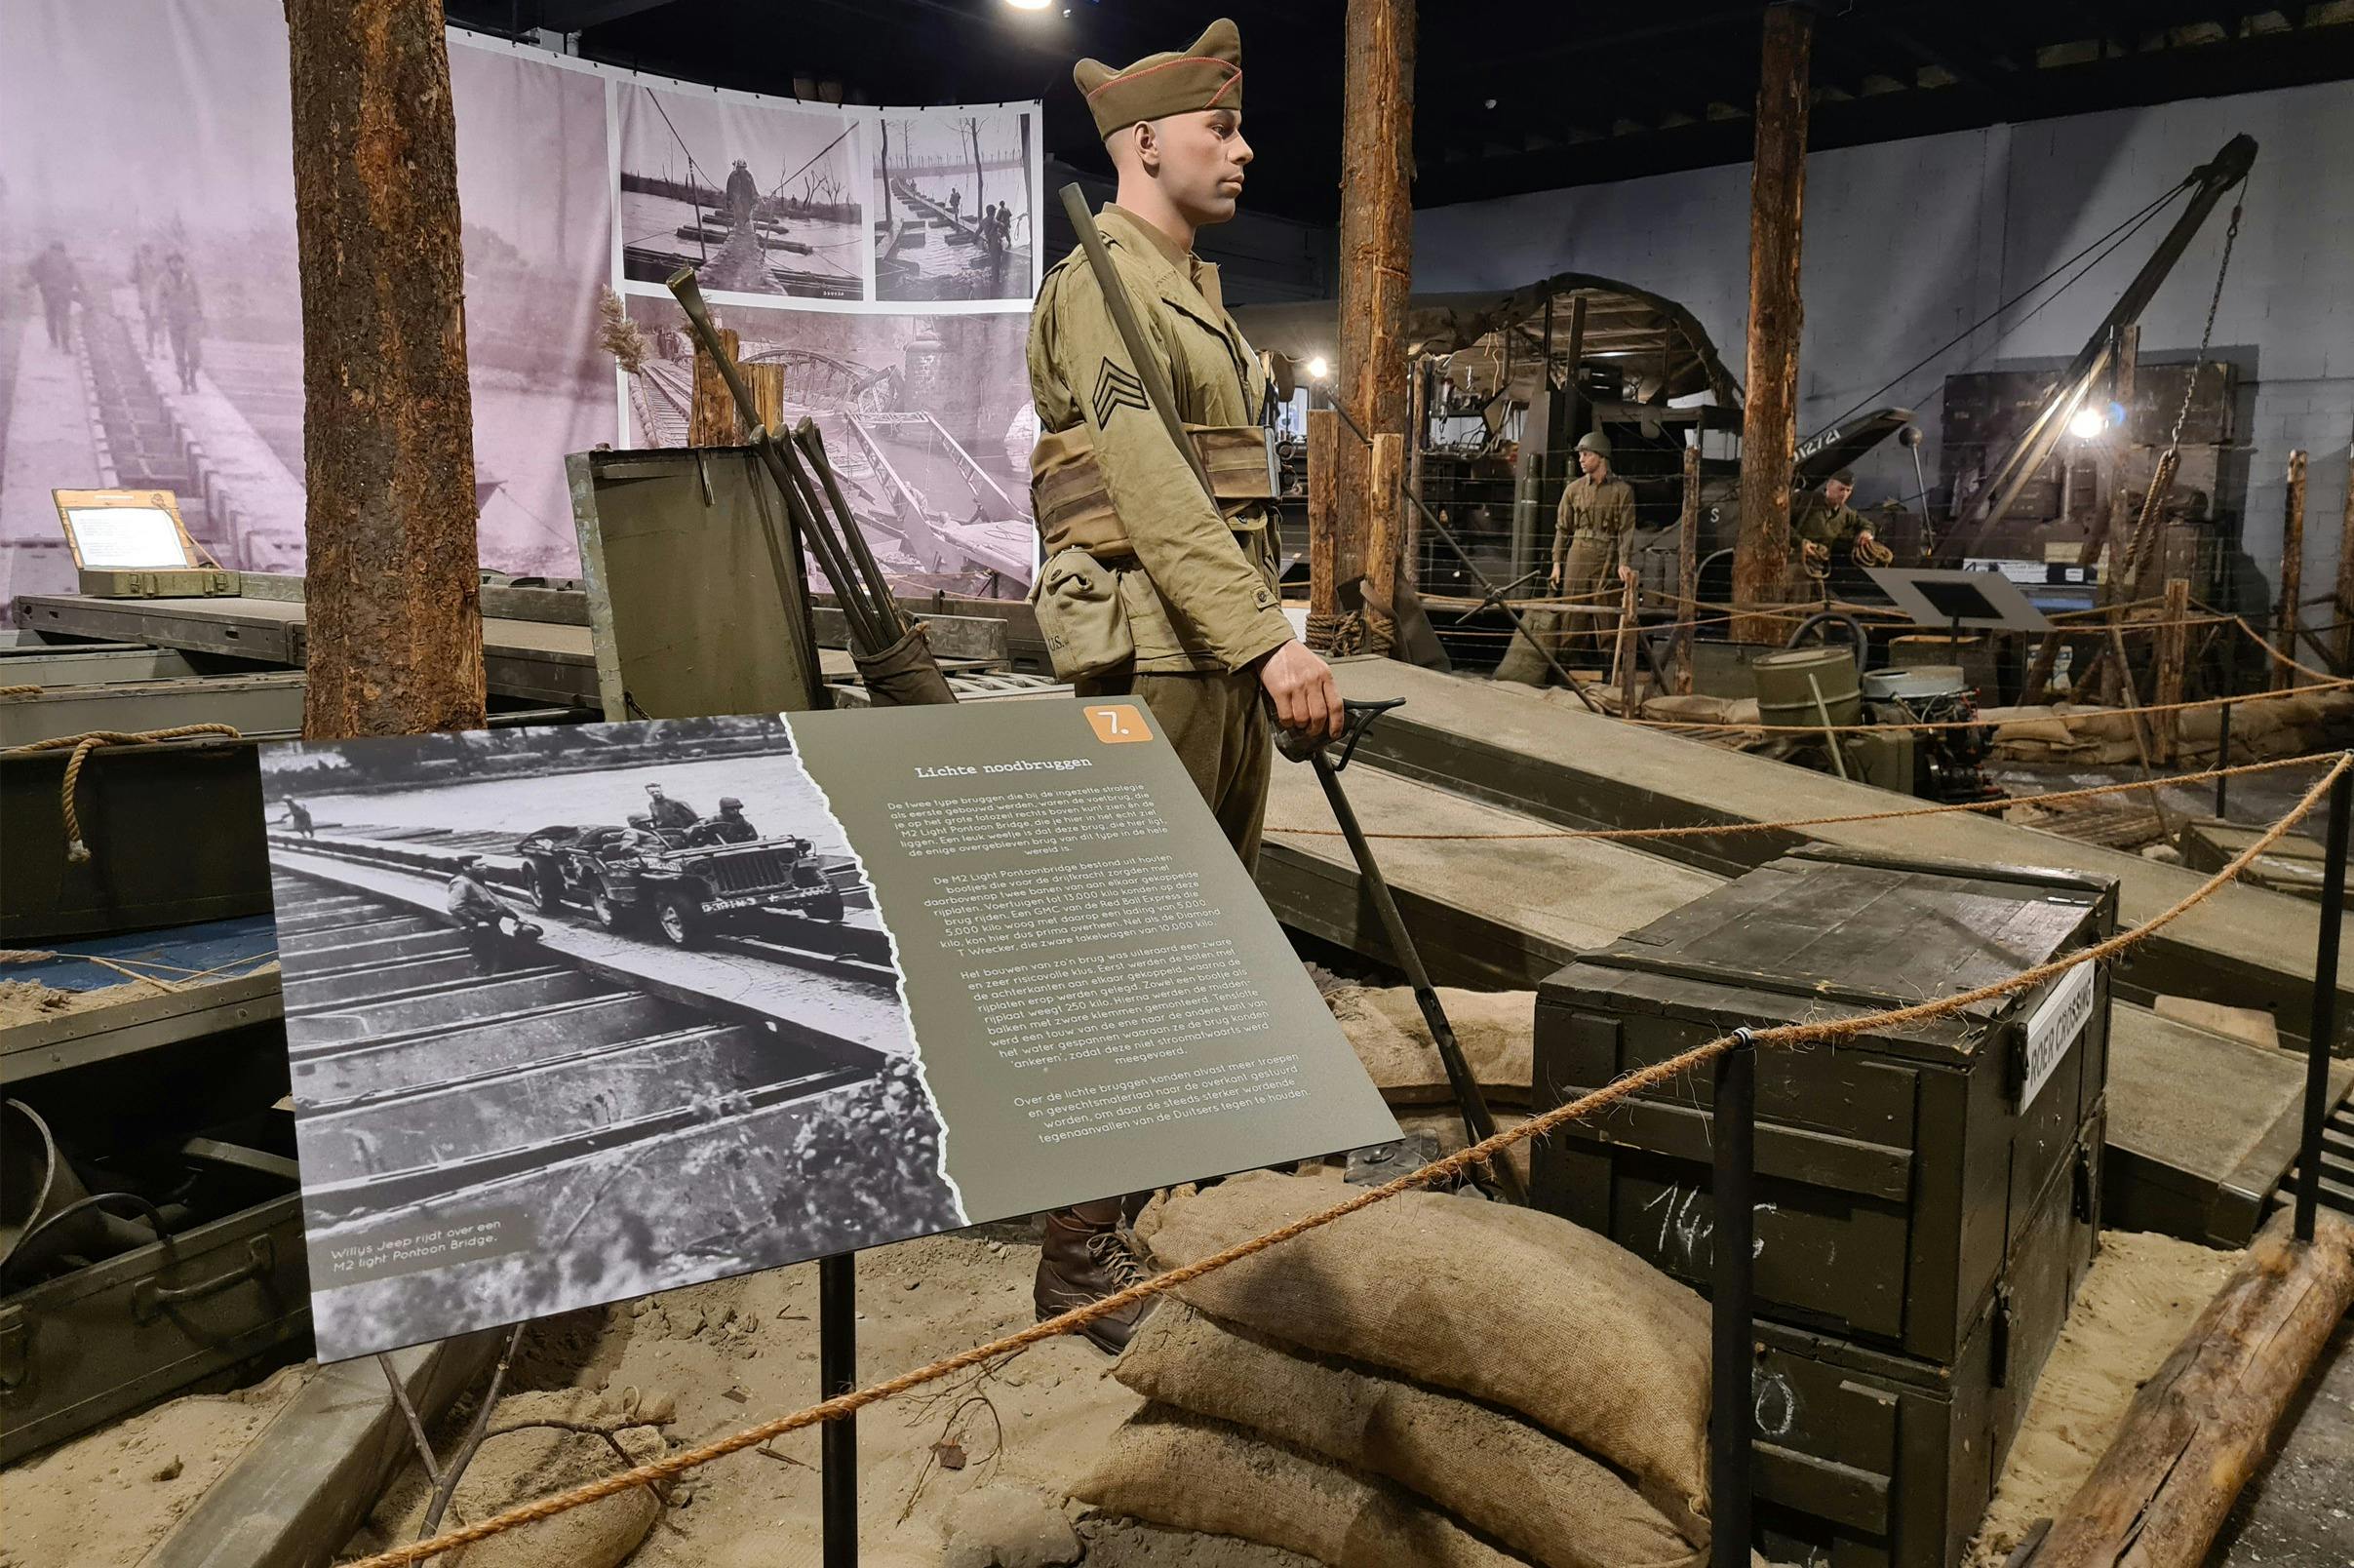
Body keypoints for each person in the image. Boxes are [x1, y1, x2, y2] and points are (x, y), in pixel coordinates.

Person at [1026, 17, 1339, 1354]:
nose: (1244, 146)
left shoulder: (1189, 291)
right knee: (1143, 953)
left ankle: (1154, 1203)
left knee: (1208, 946)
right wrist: (1266, 639)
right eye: (1220, 126)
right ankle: (1074, 1255)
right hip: (1155, 651)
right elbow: (1149, 486)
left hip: (1203, 645)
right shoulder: (1099, 285)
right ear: (1141, 142)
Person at [1548, 431, 1637, 661]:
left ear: (1601, 456)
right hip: (1578, 551)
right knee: (1573, 608)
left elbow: (1626, 529)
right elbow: (1562, 528)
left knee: (1606, 608)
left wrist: (1623, 562)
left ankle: (1608, 665)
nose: (1581, 459)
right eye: (1581, 455)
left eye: (1586, 454)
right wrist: (1557, 563)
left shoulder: (1622, 491)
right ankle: (1567, 662)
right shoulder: (1574, 489)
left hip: (1606, 552)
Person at [1791, 469, 1884, 592]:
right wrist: (1801, 543)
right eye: (1841, 489)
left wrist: (1866, 533)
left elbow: (1866, 524)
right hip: (1793, 561)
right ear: (1829, 486)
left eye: (1848, 490)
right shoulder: (1804, 499)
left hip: (1818, 566)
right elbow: (1778, 524)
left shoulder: (1845, 513)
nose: (1844, 494)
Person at [446, 855, 537, 974]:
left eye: (485, 864)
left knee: (501, 957)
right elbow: (454, 906)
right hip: (480, 930)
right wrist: (473, 921)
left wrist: (516, 917)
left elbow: (496, 904)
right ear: (466, 867)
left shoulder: (477, 881)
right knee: (487, 961)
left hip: (491, 927)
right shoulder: (462, 883)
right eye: (479, 866)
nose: (485, 868)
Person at [156, 253, 203, 393]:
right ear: (168, 264)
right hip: (174, 322)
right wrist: (160, 314)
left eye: (178, 262)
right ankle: (183, 383)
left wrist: (201, 313)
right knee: (179, 355)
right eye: (172, 262)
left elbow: (198, 296)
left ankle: (193, 377)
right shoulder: (163, 280)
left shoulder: (190, 278)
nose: (175, 265)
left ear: (182, 263)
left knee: (194, 352)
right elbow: (158, 298)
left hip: (191, 321)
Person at [26, 242, 79, 352]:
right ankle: (65, 346)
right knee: (64, 318)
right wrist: (72, 287)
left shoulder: (43, 255)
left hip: (48, 292)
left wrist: (39, 277)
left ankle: (53, 341)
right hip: (64, 293)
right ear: (62, 248)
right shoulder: (67, 258)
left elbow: (31, 266)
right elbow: (75, 275)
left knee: (50, 317)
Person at [687, 796, 759, 845]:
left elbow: (753, 836)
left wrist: (744, 838)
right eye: (732, 809)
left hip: (737, 847)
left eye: (737, 808)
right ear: (724, 810)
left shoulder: (740, 821)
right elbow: (694, 839)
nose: (736, 811)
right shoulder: (711, 821)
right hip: (716, 849)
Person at [131, 243, 162, 353]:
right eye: (143, 254)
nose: (145, 256)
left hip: (156, 299)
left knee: (157, 324)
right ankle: (151, 348)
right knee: (149, 324)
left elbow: (163, 282)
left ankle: (159, 348)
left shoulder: (157, 266)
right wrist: (134, 263)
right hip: (147, 299)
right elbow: (132, 279)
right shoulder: (139, 267)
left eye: (146, 253)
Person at [725, 158, 759, 226]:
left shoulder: (748, 175)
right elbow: (729, 188)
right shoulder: (733, 176)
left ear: (745, 167)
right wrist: (729, 200)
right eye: (740, 168)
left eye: (743, 167)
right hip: (737, 198)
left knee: (747, 216)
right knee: (739, 214)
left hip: (747, 198)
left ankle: (744, 225)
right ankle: (740, 229)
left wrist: (755, 197)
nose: (741, 169)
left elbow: (753, 187)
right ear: (737, 168)